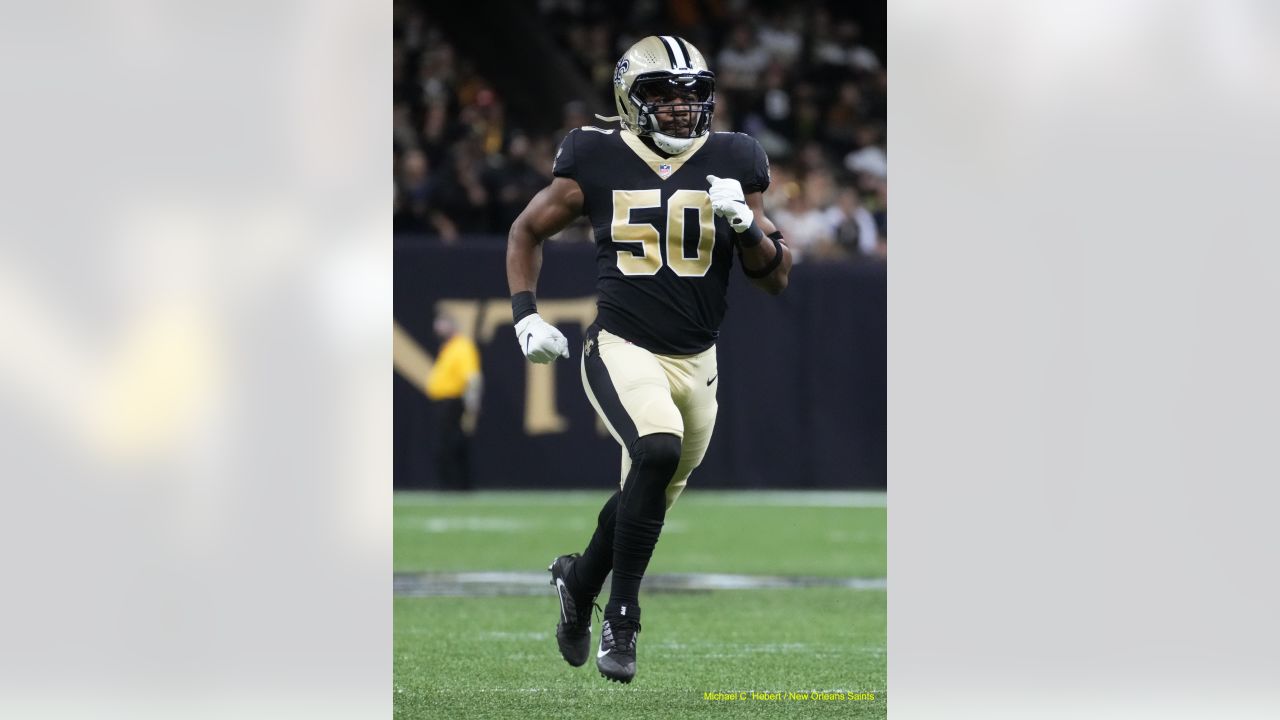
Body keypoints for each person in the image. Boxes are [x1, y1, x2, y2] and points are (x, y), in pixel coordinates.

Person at [504, 35, 792, 683]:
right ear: (630, 101)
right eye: (662, 95)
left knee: (644, 493)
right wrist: (525, 314)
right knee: (656, 451)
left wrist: (745, 225)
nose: (680, 108)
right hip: (621, 343)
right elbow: (526, 229)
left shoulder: (736, 157)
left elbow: (776, 277)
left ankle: (578, 585)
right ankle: (623, 618)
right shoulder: (595, 155)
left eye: (691, 95)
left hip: (700, 362)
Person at [424, 313, 482, 490]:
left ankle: (454, 488)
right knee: (450, 446)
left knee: (450, 447)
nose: (437, 328)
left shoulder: (462, 346)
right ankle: (454, 487)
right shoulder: (448, 348)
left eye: (441, 324)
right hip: (444, 404)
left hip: (453, 403)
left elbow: (473, 378)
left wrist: (472, 405)